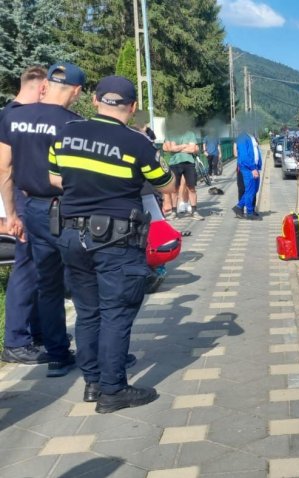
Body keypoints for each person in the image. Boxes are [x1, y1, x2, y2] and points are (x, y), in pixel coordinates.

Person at [50, 75, 174, 412]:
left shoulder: (66, 134)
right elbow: (166, 184)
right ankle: (113, 389)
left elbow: (54, 177)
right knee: (116, 313)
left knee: (88, 312)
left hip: (72, 234)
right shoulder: (136, 143)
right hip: (116, 239)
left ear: (95, 101)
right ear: (132, 108)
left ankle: (91, 383)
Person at [0, 62, 86, 377]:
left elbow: (4, 169)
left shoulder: (13, 117)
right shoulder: (74, 124)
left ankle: (57, 356)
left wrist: (12, 214)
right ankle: (96, 355)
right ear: (76, 91)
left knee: (47, 284)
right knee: (84, 281)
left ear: (47, 84)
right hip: (66, 209)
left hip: (31, 207)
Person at [0, 66, 49, 364]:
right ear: (42, 87)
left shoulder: (8, 114)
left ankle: (38, 333)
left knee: (39, 267)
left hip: (22, 196)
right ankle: (16, 340)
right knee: (27, 265)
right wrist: (11, 213)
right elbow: (4, 168)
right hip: (20, 197)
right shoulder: (13, 118)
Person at [163, 127, 202, 219]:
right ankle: (173, 212)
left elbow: (193, 149)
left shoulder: (190, 133)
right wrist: (185, 146)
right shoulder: (170, 133)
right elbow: (169, 148)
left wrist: (176, 147)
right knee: (174, 189)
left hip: (189, 163)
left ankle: (194, 211)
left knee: (191, 188)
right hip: (174, 163)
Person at [232, 128, 262, 219]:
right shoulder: (242, 137)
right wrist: (252, 168)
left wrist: (257, 166)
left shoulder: (252, 136)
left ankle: (239, 207)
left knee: (254, 189)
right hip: (248, 168)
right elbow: (244, 156)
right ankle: (249, 212)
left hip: (254, 166)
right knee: (249, 189)